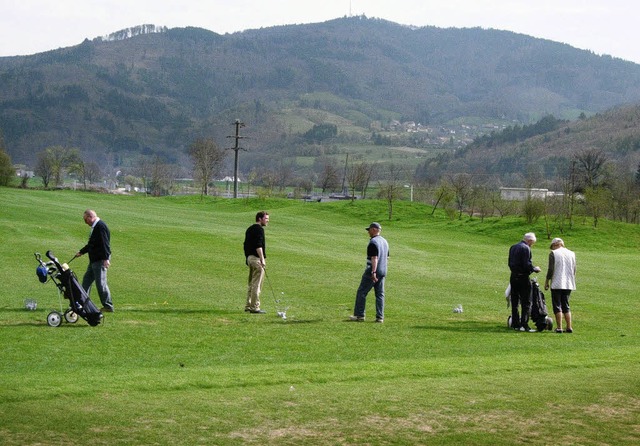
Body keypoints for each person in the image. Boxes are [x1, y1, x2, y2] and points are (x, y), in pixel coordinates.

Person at [75, 209, 114, 312]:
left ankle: (108, 306)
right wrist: (81, 252)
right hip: (94, 260)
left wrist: (106, 259)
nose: (85, 223)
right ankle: (83, 303)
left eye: (85, 220)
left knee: (101, 284)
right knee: (86, 281)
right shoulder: (96, 227)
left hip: (100, 260)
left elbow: (105, 244)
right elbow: (92, 244)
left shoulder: (100, 227)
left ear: (89, 217)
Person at [350, 222, 389, 323]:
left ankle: (359, 315)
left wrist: (373, 272)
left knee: (362, 292)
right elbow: (387, 257)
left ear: (374, 230)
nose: (368, 232)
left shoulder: (373, 242)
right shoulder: (385, 242)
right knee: (380, 294)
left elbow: (374, 258)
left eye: (370, 230)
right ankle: (380, 317)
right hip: (383, 270)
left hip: (373, 270)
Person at [508, 232, 541, 332]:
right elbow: (526, 264)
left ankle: (515, 324)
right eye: (532, 243)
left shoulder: (513, 247)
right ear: (530, 240)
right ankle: (524, 325)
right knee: (526, 301)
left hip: (513, 276)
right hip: (523, 277)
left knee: (514, 301)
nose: (532, 245)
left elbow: (510, 262)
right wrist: (534, 269)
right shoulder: (526, 248)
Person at [544, 238, 576, 333]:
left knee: (557, 305)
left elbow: (551, 269)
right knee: (566, 305)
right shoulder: (572, 253)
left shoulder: (553, 253)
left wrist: (547, 281)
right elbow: (574, 269)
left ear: (554, 245)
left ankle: (559, 327)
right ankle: (569, 327)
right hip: (568, 283)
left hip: (557, 283)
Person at [243, 211, 269, 314]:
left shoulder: (250, 229)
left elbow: (245, 245)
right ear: (260, 219)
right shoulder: (259, 230)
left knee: (251, 284)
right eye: (266, 219)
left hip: (250, 259)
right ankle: (254, 307)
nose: (267, 221)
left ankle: (248, 305)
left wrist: (248, 258)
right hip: (257, 259)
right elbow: (259, 245)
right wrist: (262, 259)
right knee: (256, 285)